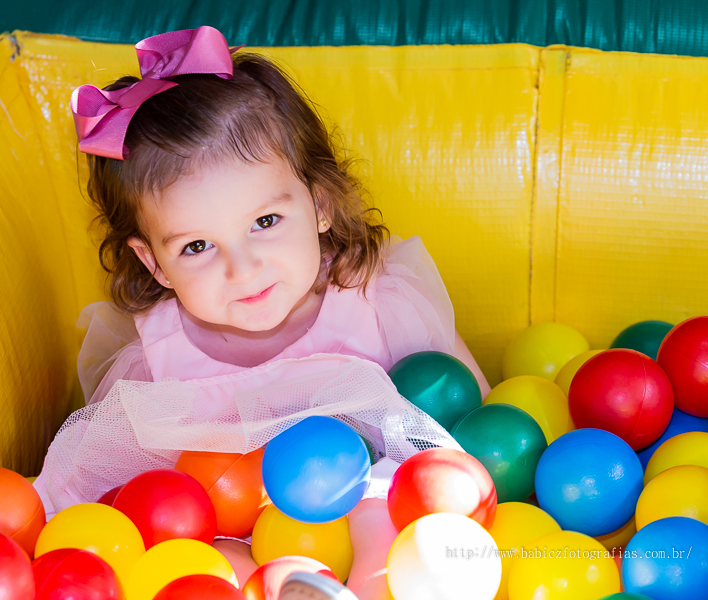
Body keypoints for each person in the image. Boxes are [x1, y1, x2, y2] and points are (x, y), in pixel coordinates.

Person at [36, 26, 490, 600]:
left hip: (374, 513)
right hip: (241, 532)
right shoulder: (157, 364)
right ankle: (281, 588)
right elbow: (108, 488)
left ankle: (370, 585)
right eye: (197, 247)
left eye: (265, 222)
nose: (243, 269)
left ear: (319, 205)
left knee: (379, 499)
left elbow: (469, 420)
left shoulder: (372, 302)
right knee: (203, 547)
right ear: (154, 263)